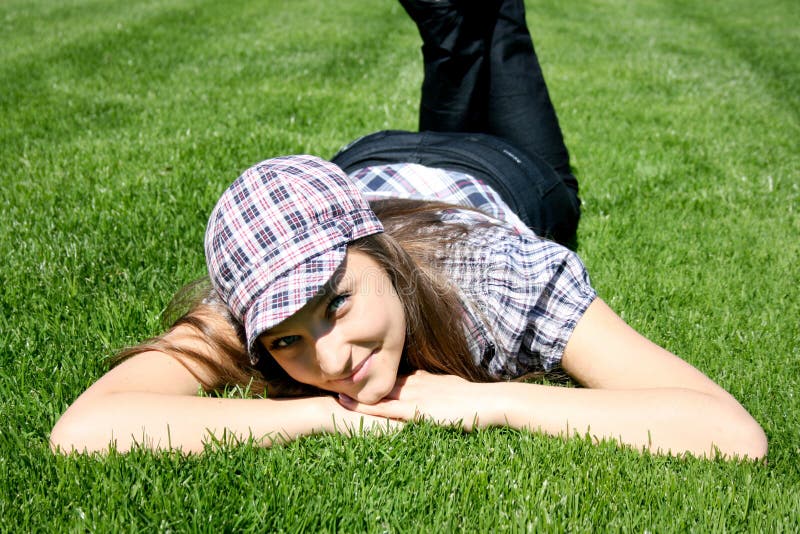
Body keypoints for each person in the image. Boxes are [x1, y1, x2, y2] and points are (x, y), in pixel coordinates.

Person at [50, 0, 767, 459]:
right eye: (288, 340)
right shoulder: (259, 283)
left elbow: (732, 434)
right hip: (373, 167)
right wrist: (325, 420)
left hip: (503, 175)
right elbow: (81, 431)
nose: (331, 362)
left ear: (379, 257)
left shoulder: (502, 280)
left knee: (500, 25)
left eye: (335, 304)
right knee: (464, 30)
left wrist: (490, 402)